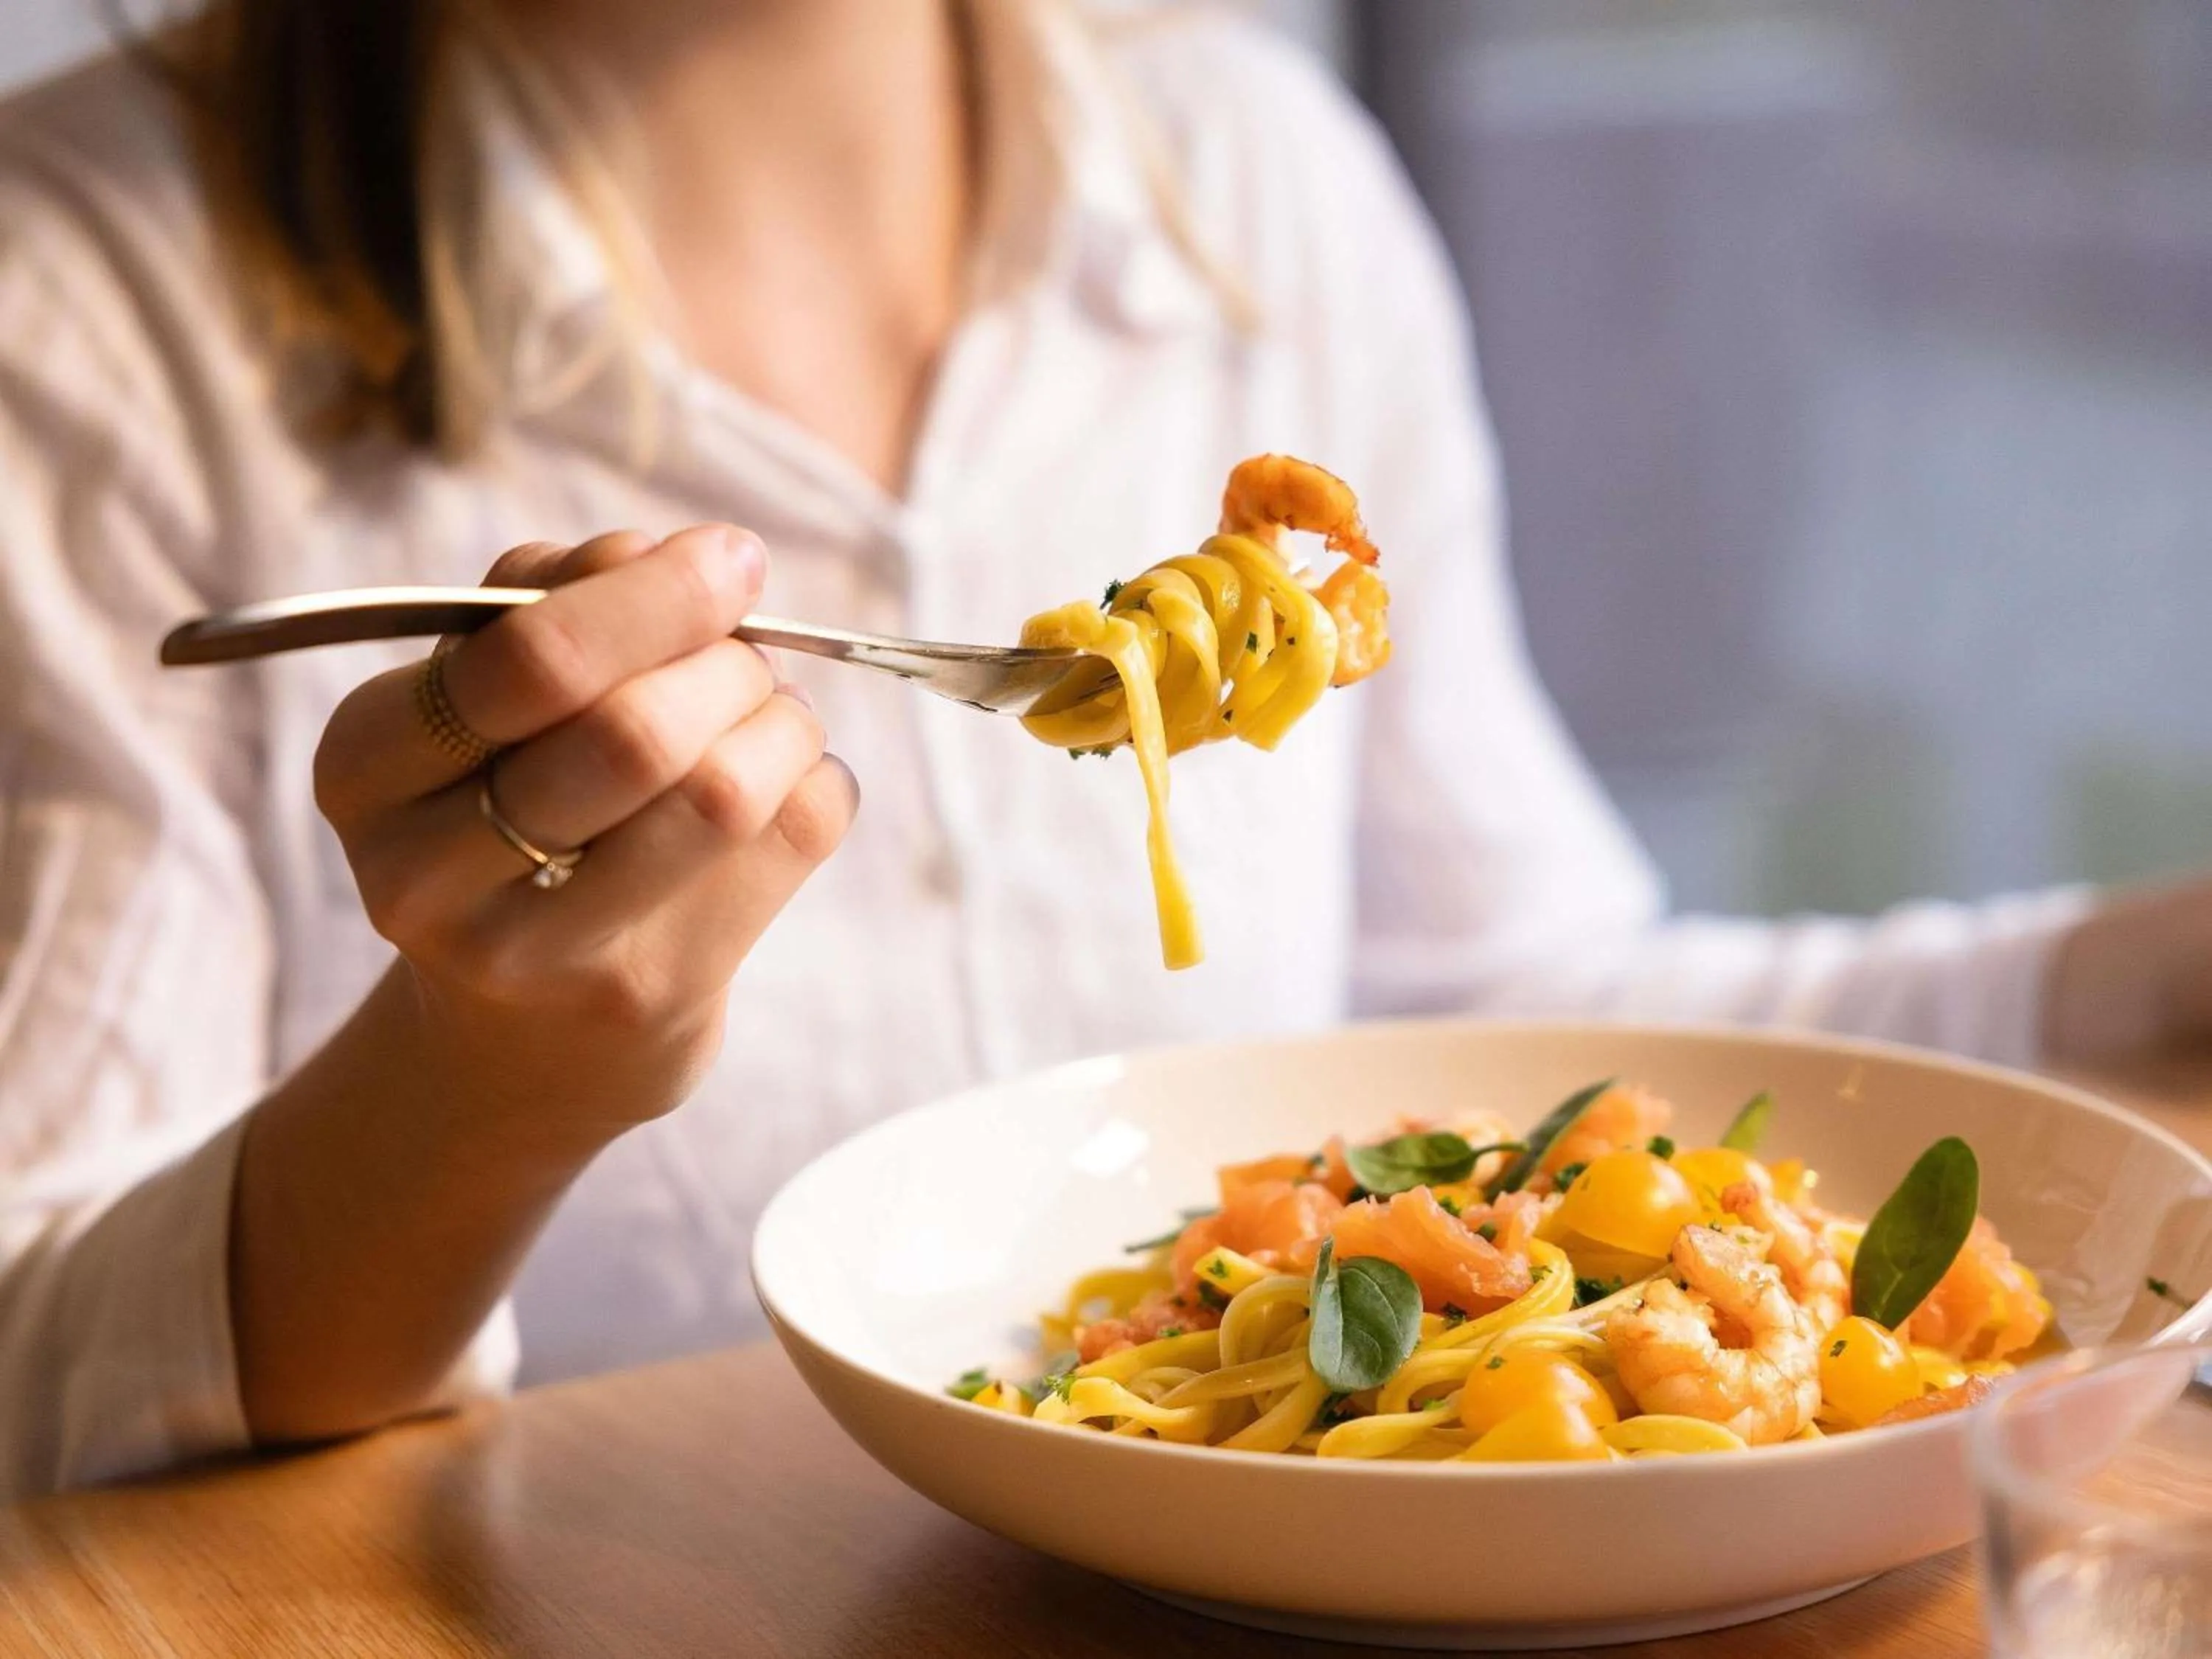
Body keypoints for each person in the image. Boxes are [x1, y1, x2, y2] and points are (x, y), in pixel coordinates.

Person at [0, 0, 2199, 1500]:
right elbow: (44, 1373)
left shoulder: (1260, 183)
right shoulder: (76, 300)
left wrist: (2152, 962)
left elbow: (1492, 1016)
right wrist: (481, 1089)